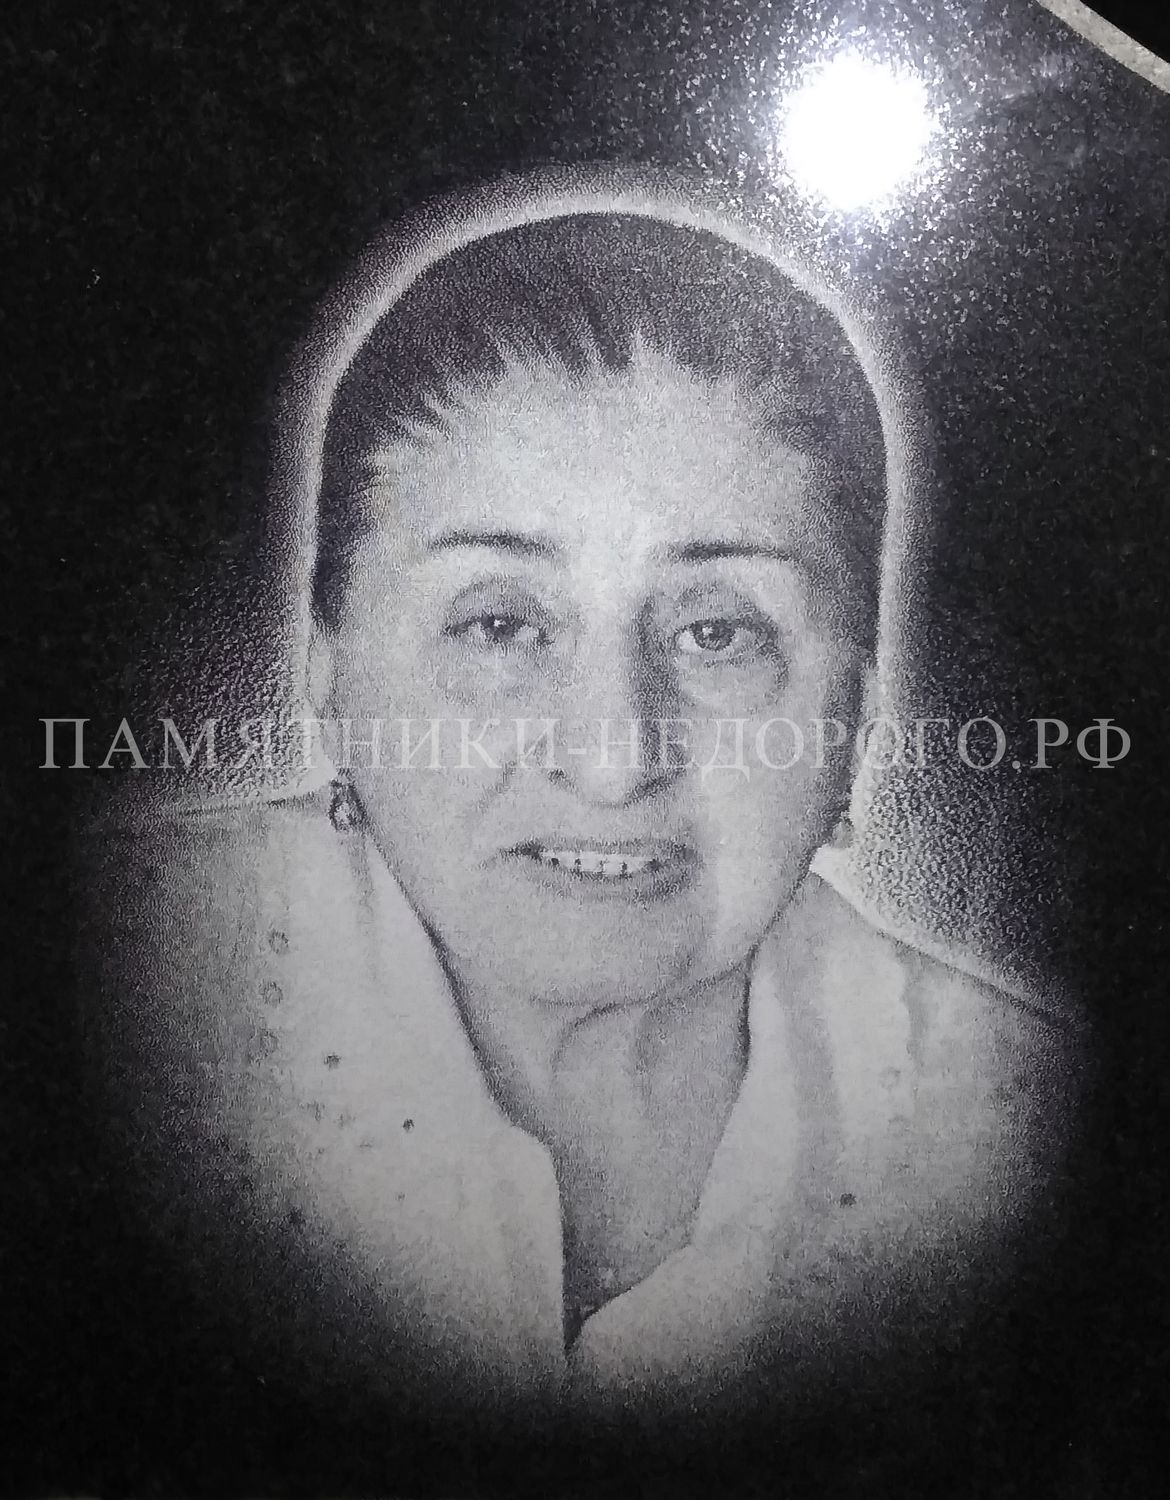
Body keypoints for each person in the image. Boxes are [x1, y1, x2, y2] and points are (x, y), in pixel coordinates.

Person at [82, 172, 1090, 1435]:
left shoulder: (1034, 1137)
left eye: (720, 632)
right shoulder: (90, 982)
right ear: (328, 678)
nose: (614, 760)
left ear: (857, 718)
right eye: (501, 623)